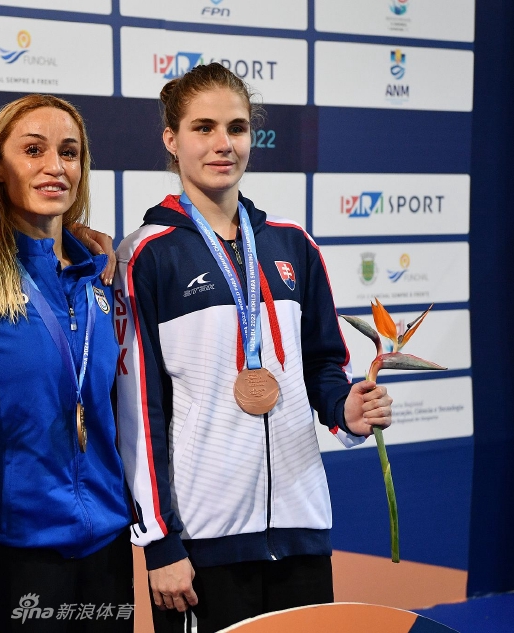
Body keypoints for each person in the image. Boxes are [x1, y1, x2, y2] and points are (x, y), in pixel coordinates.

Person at [114, 62, 394, 632]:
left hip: (301, 526)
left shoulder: (293, 244)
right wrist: (160, 543)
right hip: (203, 540)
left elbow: (323, 364)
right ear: (171, 139)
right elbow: (140, 411)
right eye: (204, 128)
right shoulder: (145, 254)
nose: (224, 143)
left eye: (236, 128)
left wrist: (345, 410)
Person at [0, 94, 134, 632]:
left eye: (69, 152)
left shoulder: (102, 274)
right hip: (16, 550)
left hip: (108, 545)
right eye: (33, 150)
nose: (55, 166)